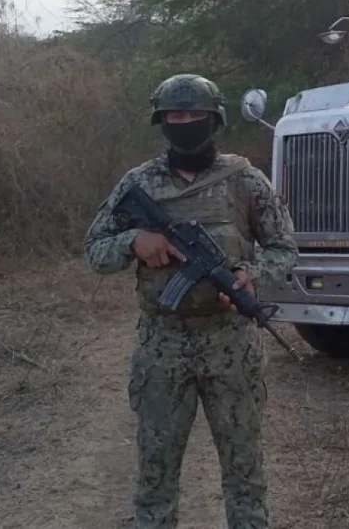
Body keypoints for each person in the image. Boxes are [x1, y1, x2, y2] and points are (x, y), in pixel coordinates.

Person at [83, 73, 299, 529]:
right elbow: (94, 249)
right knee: (155, 475)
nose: (184, 123)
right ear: (162, 123)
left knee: (245, 470)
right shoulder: (137, 184)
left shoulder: (244, 181)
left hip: (230, 345)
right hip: (162, 345)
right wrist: (134, 242)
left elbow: (284, 247)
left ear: (213, 120)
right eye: (175, 116)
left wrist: (251, 276)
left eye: (194, 115)